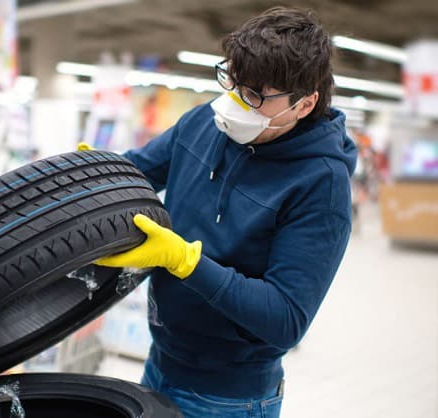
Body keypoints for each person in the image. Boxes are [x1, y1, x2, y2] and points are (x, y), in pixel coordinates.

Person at [82, 7, 357, 418]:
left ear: (304, 104)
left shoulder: (322, 184)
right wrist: (85, 176)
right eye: (232, 81)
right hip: (160, 365)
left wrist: (184, 261)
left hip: (230, 399)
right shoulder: (202, 124)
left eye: (255, 96)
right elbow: (135, 171)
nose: (234, 102)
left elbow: (285, 319)